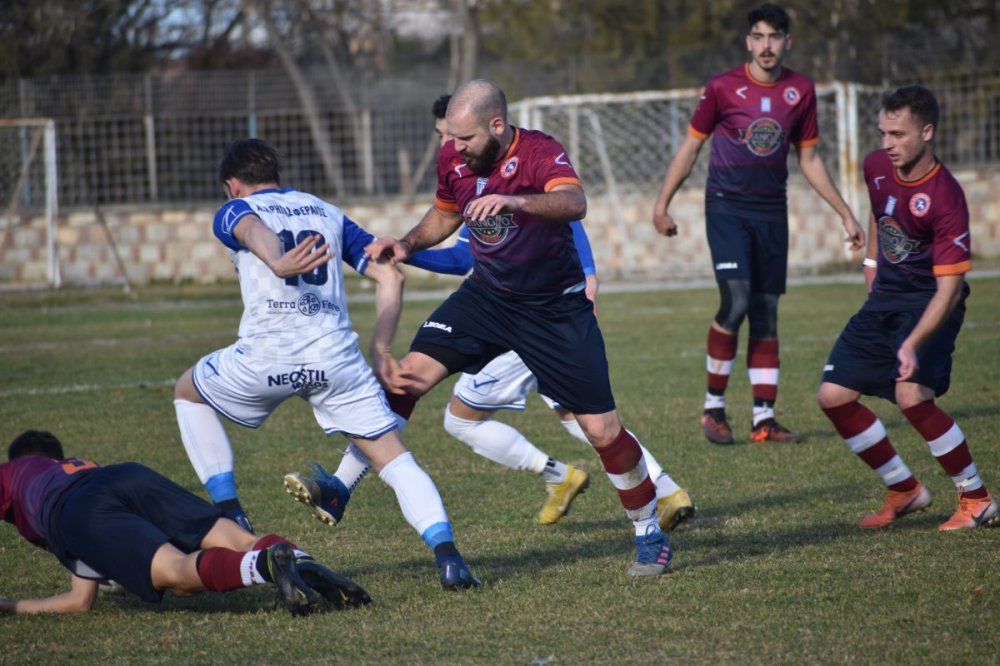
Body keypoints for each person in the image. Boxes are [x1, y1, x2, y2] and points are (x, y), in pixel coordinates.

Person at [292, 94, 695, 532]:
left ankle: (650, 519)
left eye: (463, 136)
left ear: (497, 125)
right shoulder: (453, 158)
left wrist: (517, 202)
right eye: (448, 135)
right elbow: (445, 215)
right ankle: (341, 487)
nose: (453, 145)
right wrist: (406, 245)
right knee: (408, 376)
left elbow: (574, 204)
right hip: (487, 300)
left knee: (598, 428)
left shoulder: (540, 151)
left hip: (552, 310)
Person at [172, 138, 478, 590]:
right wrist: (381, 347)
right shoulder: (326, 211)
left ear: (232, 186)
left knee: (187, 391)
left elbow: (249, 227)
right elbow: (390, 274)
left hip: (265, 358)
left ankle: (229, 511)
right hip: (336, 360)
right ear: (277, 174)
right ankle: (449, 558)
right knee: (395, 459)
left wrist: (276, 260)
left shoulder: (233, 208)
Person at [651, 3, 865, 445]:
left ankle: (763, 421)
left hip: (771, 211)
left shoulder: (800, 90)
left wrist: (845, 212)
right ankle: (713, 409)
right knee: (737, 300)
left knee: (766, 313)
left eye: (775, 37)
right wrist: (662, 204)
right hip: (726, 207)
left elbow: (808, 158)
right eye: (759, 36)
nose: (766, 46)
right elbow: (690, 149)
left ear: (788, 41)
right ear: (748, 41)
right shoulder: (722, 88)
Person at [817, 85, 997, 530]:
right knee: (833, 397)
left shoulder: (946, 196)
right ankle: (905, 489)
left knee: (911, 394)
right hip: (885, 300)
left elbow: (950, 287)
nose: (888, 144)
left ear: (927, 132)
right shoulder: (877, 166)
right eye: (883, 133)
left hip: (930, 301)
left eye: (898, 134)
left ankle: (977, 498)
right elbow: (881, 217)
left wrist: (914, 342)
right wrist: (872, 263)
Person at [0, 429, 370, 615]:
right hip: (122, 475)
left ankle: (266, 566)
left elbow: (80, 601)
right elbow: (82, 596)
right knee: (236, 537)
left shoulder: (13, 475)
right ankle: (303, 563)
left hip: (79, 511)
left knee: (178, 576)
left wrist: (10, 605)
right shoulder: (67, 470)